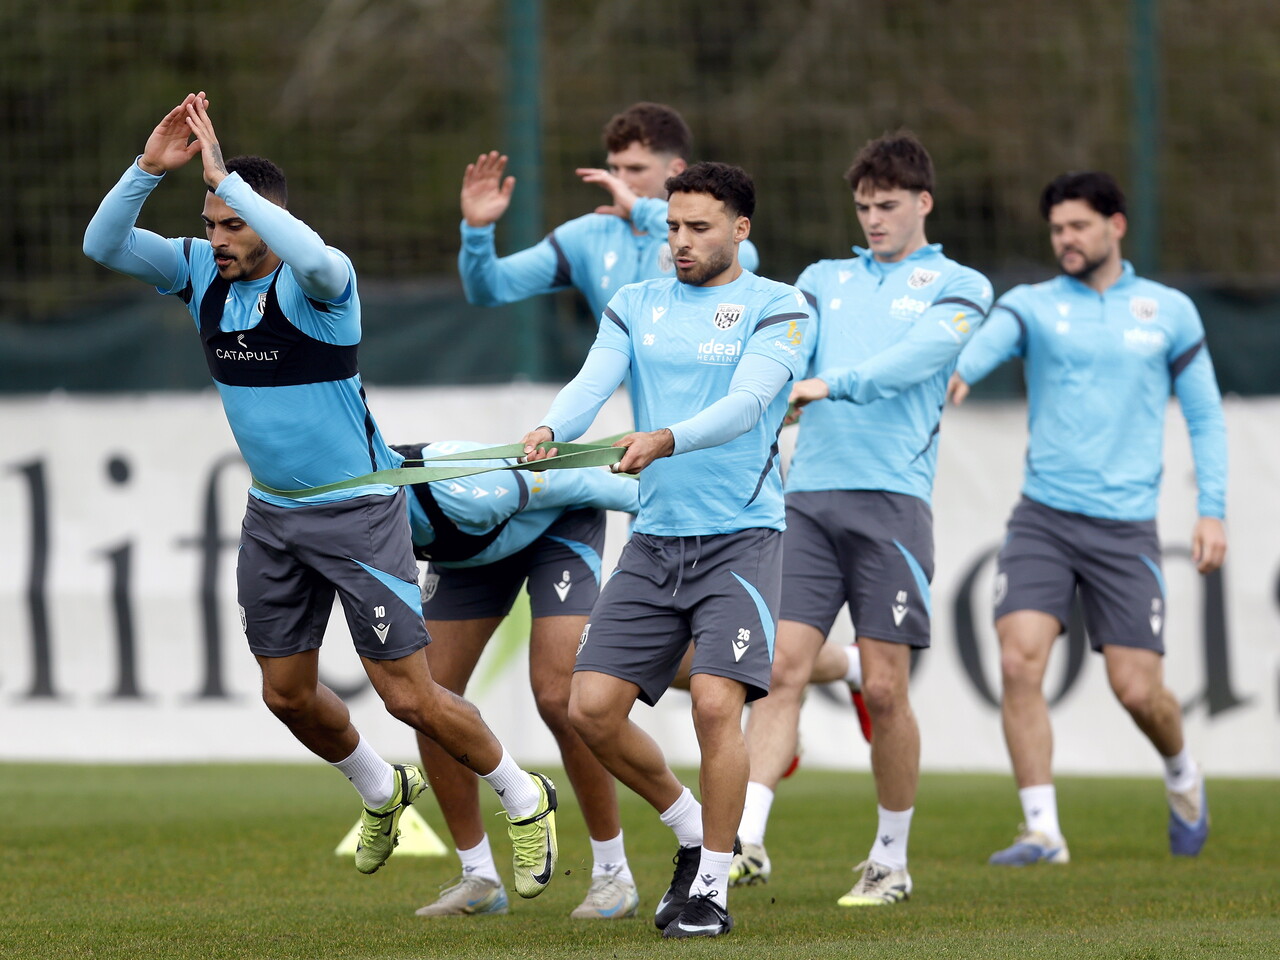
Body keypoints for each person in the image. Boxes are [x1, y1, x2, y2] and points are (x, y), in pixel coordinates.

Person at [82, 93, 557, 897]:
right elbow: (103, 244)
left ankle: (523, 792)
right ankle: (382, 788)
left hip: (358, 512)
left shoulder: (321, 286)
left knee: (408, 694)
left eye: (233, 224)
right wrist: (144, 170)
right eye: (211, 224)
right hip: (273, 516)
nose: (218, 239)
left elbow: (317, 257)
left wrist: (235, 187)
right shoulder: (199, 274)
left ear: (268, 219)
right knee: (286, 694)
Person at [521, 162, 813, 938]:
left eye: (698, 228)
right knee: (589, 709)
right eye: (672, 227)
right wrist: (554, 429)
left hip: (742, 540)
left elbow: (752, 403)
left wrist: (665, 439)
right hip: (655, 543)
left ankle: (711, 887)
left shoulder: (780, 307)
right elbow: (593, 381)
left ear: (740, 230)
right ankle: (689, 829)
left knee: (718, 704)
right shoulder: (635, 303)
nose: (679, 242)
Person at [731, 132, 993, 905]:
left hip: (892, 504)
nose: (874, 219)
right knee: (776, 671)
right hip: (805, 500)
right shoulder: (822, 278)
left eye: (887, 206)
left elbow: (913, 361)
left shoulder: (961, 284)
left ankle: (890, 859)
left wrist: (823, 387)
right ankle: (745, 839)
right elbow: (782, 339)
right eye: (863, 207)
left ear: (923, 203)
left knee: (885, 689)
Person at [948, 171, 1226, 865]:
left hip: (1125, 528)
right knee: (1017, 661)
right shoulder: (1035, 305)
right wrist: (959, 371)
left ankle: (1183, 773)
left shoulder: (1169, 311)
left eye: (1077, 226)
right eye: (1056, 230)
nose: (1065, 240)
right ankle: (1043, 830)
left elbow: (1205, 416)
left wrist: (1211, 511)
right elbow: (985, 343)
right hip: (1042, 519)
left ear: (1115, 226)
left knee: (1138, 691)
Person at [392, 441, 643, 919]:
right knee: (425, 702)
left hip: (559, 524)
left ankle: (615, 875)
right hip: (471, 557)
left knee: (558, 697)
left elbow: (580, 478)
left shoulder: (464, 493)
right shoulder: (339, 509)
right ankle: (480, 879)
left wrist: (664, 506)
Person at [458, 101, 759, 323]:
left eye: (636, 168)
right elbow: (489, 289)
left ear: (675, 169)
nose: (620, 180)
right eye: (614, 168)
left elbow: (745, 257)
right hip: (648, 408)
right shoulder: (587, 235)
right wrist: (476, 231)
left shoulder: (706, 226)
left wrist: (641, 210)